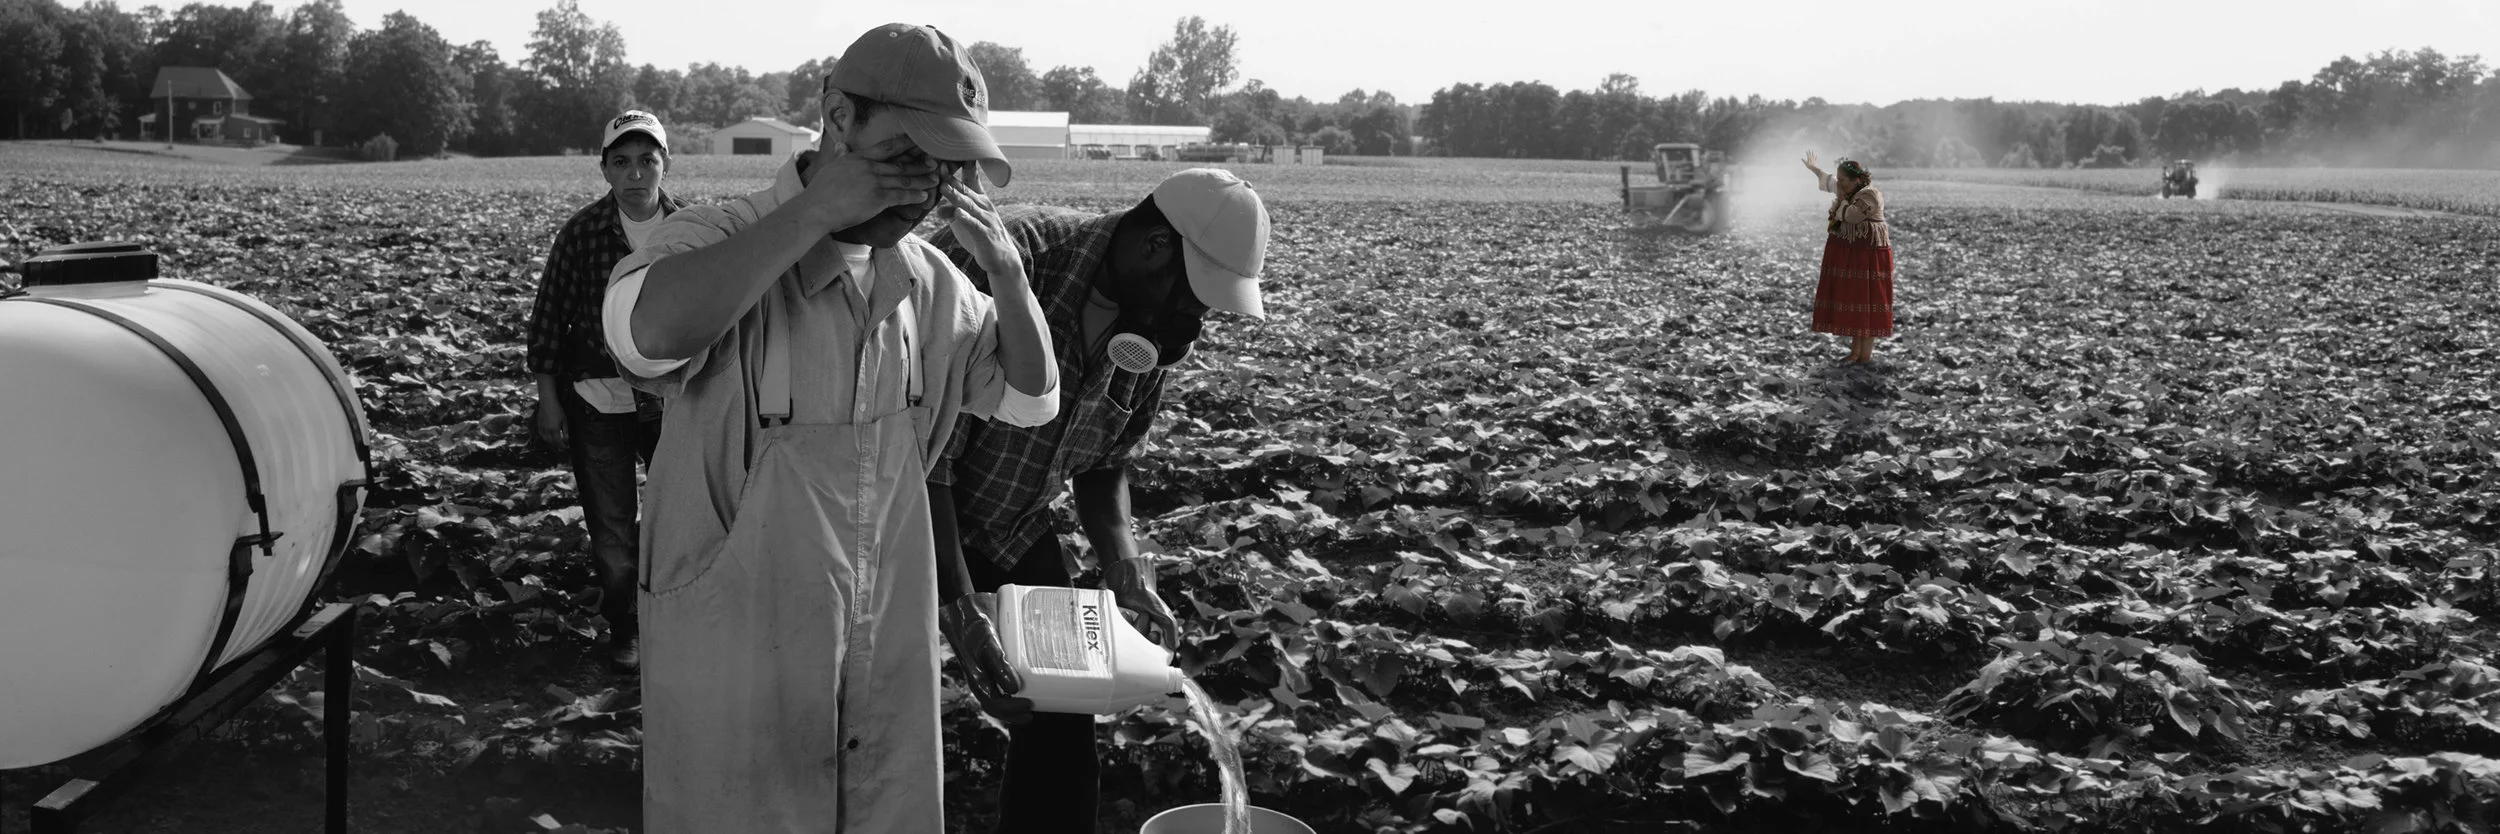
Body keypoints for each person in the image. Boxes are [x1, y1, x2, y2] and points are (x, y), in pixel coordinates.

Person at [598, 23, 1059, 833]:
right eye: (905, 156)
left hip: (880, 640)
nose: (921, 191)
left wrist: (1010, 276)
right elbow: (645, 335)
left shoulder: (929, 281)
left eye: (944, 169)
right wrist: (814, 213)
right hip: (738, 645)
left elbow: (1031, 397)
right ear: (840, 118)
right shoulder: (720, 235)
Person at [925, 168, 1271, 834]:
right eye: (1196, 297)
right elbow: (925, 457)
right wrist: (960, 609)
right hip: (900, 519)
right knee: (884, 711)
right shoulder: (1007, 258)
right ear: (1154, 248)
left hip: (1009, 521)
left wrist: (1123, 563)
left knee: (1061, 723)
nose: (1195, 320)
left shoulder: (1151, 332)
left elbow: (1108, 461)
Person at [522, 109, 685, 671]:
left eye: (647, 160)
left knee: (684, 519)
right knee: (613, 530)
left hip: (673, 400)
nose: (636, 173)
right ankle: (626, 631)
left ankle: (681, 623)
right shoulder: (583, 232)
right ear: (605, 170)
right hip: (597, 400)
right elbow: (548, 319)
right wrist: (548, 400)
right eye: (622, 162)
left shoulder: (691, 230)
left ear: (665, 164)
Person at [1800, 153, 1895, 364]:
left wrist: (1841, 200)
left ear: (1856, 180)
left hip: (1870, 256)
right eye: (1839, 181)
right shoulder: (1848, 188)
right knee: (1856, 302)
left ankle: (1865, 356)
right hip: (1854, 255)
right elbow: (1829, 181)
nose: (1839, 185)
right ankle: (1854, 354)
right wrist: (1814, 169)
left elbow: (1852, 216)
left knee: (1869, 304)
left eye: (1843, 181)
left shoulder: (1870, 195)